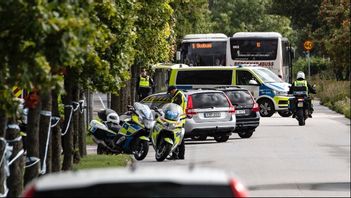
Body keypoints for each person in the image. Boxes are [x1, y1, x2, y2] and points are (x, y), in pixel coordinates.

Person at [167, 86, 186, 160]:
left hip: (178, 118)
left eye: (170, 92)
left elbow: (175, 106)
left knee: (176, 135)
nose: (170, 94)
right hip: (179, 118)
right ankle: (180, 155)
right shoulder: (177, 95)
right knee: (180, 137)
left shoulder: (179, 95)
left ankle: (176, 155)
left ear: (173, 90)